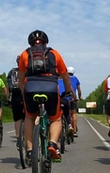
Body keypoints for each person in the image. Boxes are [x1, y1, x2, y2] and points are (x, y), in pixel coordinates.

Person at [18, 30, 73, 161]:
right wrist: (69, 90)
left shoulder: (25, 54)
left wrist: (22, 91)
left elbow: (20, 78)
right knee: (56, 119)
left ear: (30, 43)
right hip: (51, 88)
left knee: (29, 117)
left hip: (30, 88)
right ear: (46, 42)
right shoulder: (54, 53)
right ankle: (53, 144)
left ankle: (30, 151)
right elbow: (65, 75)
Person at [58, 66, 81, 138]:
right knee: (73, 113)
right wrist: (79, 97)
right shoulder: (75, 79)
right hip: (71, 98)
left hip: (60, 98)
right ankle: (74, 130)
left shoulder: (61, 78)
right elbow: (79, 90)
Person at [6, 63, 25, 141]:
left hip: (15, 94)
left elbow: (8, 85)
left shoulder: (12, 71)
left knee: (17, 118)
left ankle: (18, 136)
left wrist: (8, 98)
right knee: (30, 115)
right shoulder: (28, 70)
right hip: (25, 93)